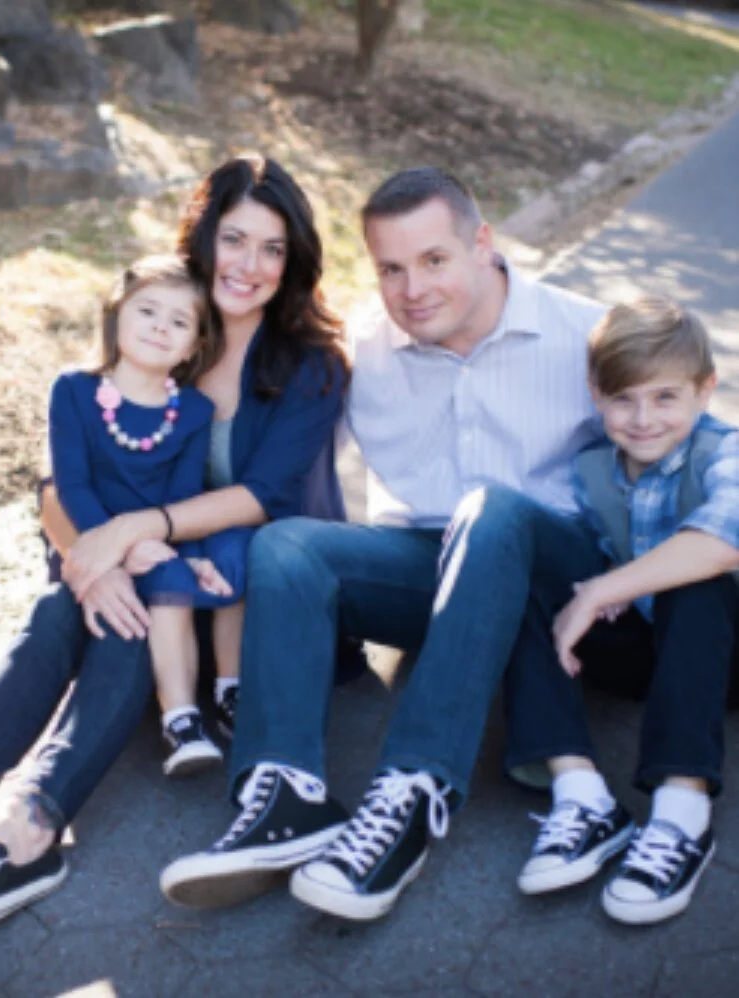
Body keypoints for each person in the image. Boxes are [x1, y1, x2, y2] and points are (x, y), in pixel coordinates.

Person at [0, 153, 349, 935]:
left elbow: (264, 497)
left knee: (130, 610)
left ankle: (31, 827)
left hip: (242, 609)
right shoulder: (165, 320)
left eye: (272, 247)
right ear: (203, 237)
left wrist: (131, 535)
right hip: (146, 584)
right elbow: (55, 488)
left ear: (295, 258)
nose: (248, 264)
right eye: (234, 238)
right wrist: (89, 567)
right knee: (60, 611)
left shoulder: (309, 365)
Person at [160, 165, 610, 923]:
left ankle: (408, 795)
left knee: (492, 509)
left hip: (562, 582)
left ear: (482, 245)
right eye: (390, 269)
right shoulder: (362, 357)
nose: (412, 289)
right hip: (435, 574)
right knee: (292, 548)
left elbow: (702, 450)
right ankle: (283, 792)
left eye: (434, 260)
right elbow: (265, 464)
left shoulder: (587, 334)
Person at [509, 298, 739, 926]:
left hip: (727, 642)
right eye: (623, 399)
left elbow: (722, 541)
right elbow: (588, 550)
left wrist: (602, 591)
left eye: (666, 398)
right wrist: (592, 586)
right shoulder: (591, 472)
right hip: (658, 655)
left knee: (693, 577)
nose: (643, 420)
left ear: (704, 390)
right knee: (528, 581)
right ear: (596, 395)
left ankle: (680, 812)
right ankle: (580, 794)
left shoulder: (726, 452)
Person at [49, 253, 247, 779]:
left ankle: (202, 707)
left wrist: (191, 555)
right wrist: (123, 545)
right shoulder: (74, 391)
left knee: (181, 570)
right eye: (147, 312)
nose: (161, 328)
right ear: (117, 316)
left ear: (194, 345)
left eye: (179, 322)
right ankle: (180, 718)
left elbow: (179, 501)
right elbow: (73, 485)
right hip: (92, 538)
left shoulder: (194, 412)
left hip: (160, 543)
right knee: (162, 566)